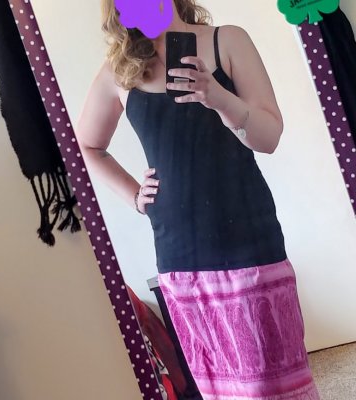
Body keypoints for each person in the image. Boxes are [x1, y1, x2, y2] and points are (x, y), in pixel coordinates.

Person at [76, 0, 321, 398]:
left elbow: (269, 138)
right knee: (216, 382)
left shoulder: (228, 41)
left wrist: (218, 97)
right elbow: (87, 146)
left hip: (248, 239)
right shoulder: (119, 71)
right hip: (179, 253)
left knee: (275, 379)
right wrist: (134, 195)